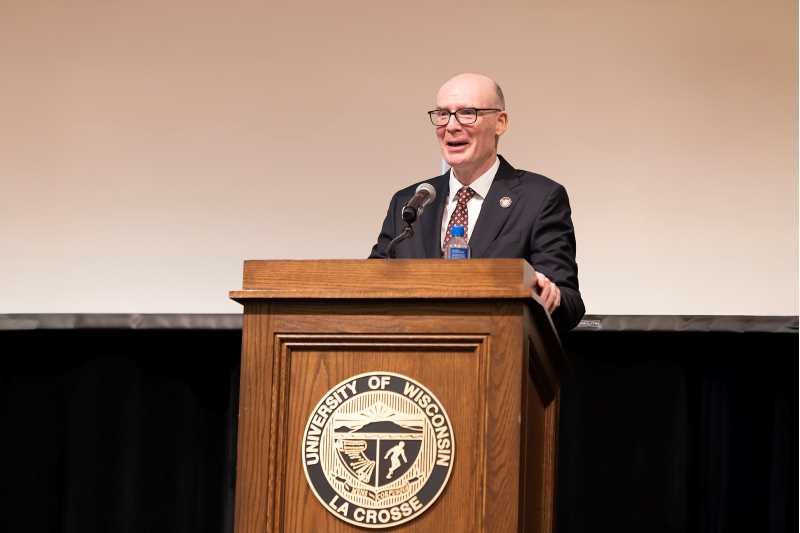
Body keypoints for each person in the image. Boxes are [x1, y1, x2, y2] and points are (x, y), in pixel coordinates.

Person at [369, 73, 585, 332]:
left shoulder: (539, 198)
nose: (451, 126)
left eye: (467, 113)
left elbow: (570, 305)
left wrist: (550, 296)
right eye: (442, 114)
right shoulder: (409, 203)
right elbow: (370, 285)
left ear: (500, 122)